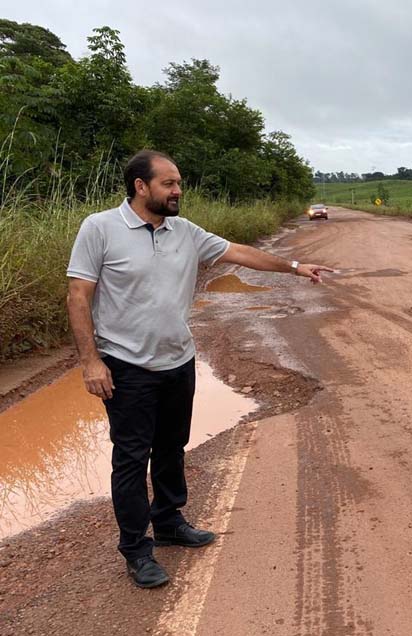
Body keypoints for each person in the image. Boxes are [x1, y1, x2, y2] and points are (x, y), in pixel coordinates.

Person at [66, 149, 333, 588]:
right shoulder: (100, 228)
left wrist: (294, 267)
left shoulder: (184, 231)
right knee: (131, 460)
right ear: (141, 186)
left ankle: (169, 522)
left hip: (177, 360)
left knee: (171, 447)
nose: (177, 191)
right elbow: (78, 295)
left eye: (178, 183)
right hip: (126, 366)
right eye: (169, 183)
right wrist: (90, 360)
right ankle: (136, 550)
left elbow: (240, 253)